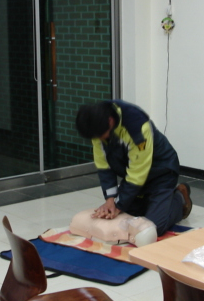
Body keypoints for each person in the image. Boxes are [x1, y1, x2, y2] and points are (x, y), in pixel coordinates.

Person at [75, 99, 193, 237]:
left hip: (161, 173)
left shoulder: (137, 127)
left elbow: (137, 174)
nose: (99, 140)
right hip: (133, 174)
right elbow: (104, 165)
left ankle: (179, 198)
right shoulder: (97, 125)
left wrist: (118, 205)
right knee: (127, 218)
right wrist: (110, 199)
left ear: (110, 122)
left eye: (100, 136)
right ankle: (153, 203)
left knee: (151, 228)